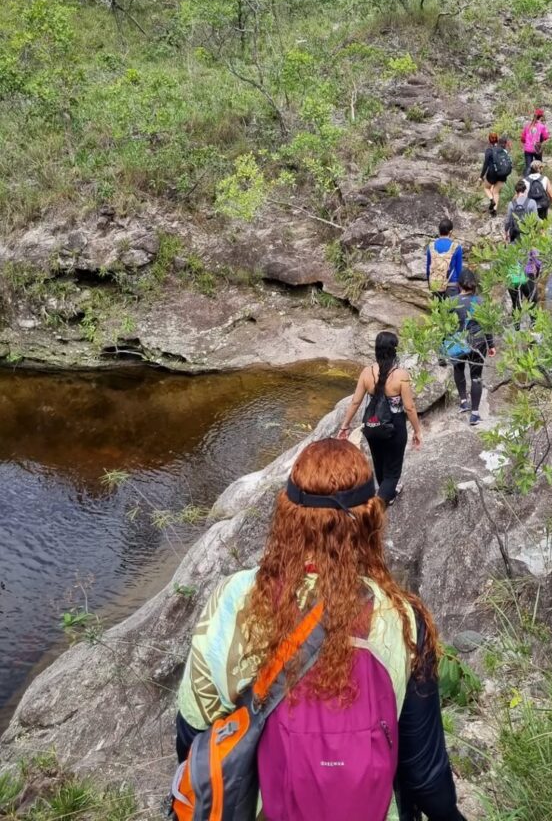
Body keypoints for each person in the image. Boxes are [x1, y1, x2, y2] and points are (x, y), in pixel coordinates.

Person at [175, 438, 468, 821]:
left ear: (287, 515)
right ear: (370, 519)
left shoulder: (235, 598)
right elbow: (425, 774)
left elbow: (191, 730)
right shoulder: (401, 617)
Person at [337, 331, 421, 504]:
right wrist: (417, 431)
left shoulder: (366, 372)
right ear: (394, 351)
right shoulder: (401, 375)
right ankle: (377, 506)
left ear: (376, 350)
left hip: (373, 423)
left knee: (379, 462)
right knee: (393, 473)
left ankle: (386, 493)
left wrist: (344, 426)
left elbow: (355, 402)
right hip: (394, 426)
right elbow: (409, 407)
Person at [444, 269, 495, 426]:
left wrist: (442, 347)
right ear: (474, 285)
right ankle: (474, 414)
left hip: (457, 343)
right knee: (476, 377)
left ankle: (463, 402)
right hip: (477, 343)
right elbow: (487, 325)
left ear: (459, 285)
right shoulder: (481, 301)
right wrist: (491, 344)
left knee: (458, 370)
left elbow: (445, 326)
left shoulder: (451, 302)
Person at [426, 218, 463, 300]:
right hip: (452, 284)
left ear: (439, 231)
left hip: (436, 284)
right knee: (451, 311)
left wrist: (430, 283)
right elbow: (459, 269)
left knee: (437, 310)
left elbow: (428, 268)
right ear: (450, 232)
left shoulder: (431, 246)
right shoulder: (456, 247)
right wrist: (460, 287)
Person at [479, 132, 512, 217]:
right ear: (497, 139)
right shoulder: (502, 149)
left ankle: (491, 200)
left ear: (489, 140)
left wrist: (481, 176)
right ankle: (494, 211)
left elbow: (485, 164)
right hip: (503, 174)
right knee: (496, 192)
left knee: (486, 188)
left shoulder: (489, 150)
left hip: (492, 174)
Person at [507, 248, 542, 326]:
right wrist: (536, 275)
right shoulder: (532, 246)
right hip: (526, 275)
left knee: (516, 304)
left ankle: (517, 327)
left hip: (514, 275)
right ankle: (534, 326)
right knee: (533, 302)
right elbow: (538, 264)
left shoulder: (509, 246)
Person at [521, 109, 549, 174]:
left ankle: (527, 180)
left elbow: (522, 139)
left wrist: (527, 143)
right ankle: (539, 180)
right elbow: (546, 137)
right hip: (537, 149)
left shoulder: (527, 125)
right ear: (541, 117)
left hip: (527, 149)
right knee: (539, 166)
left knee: (528, 166)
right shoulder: (542, 126)